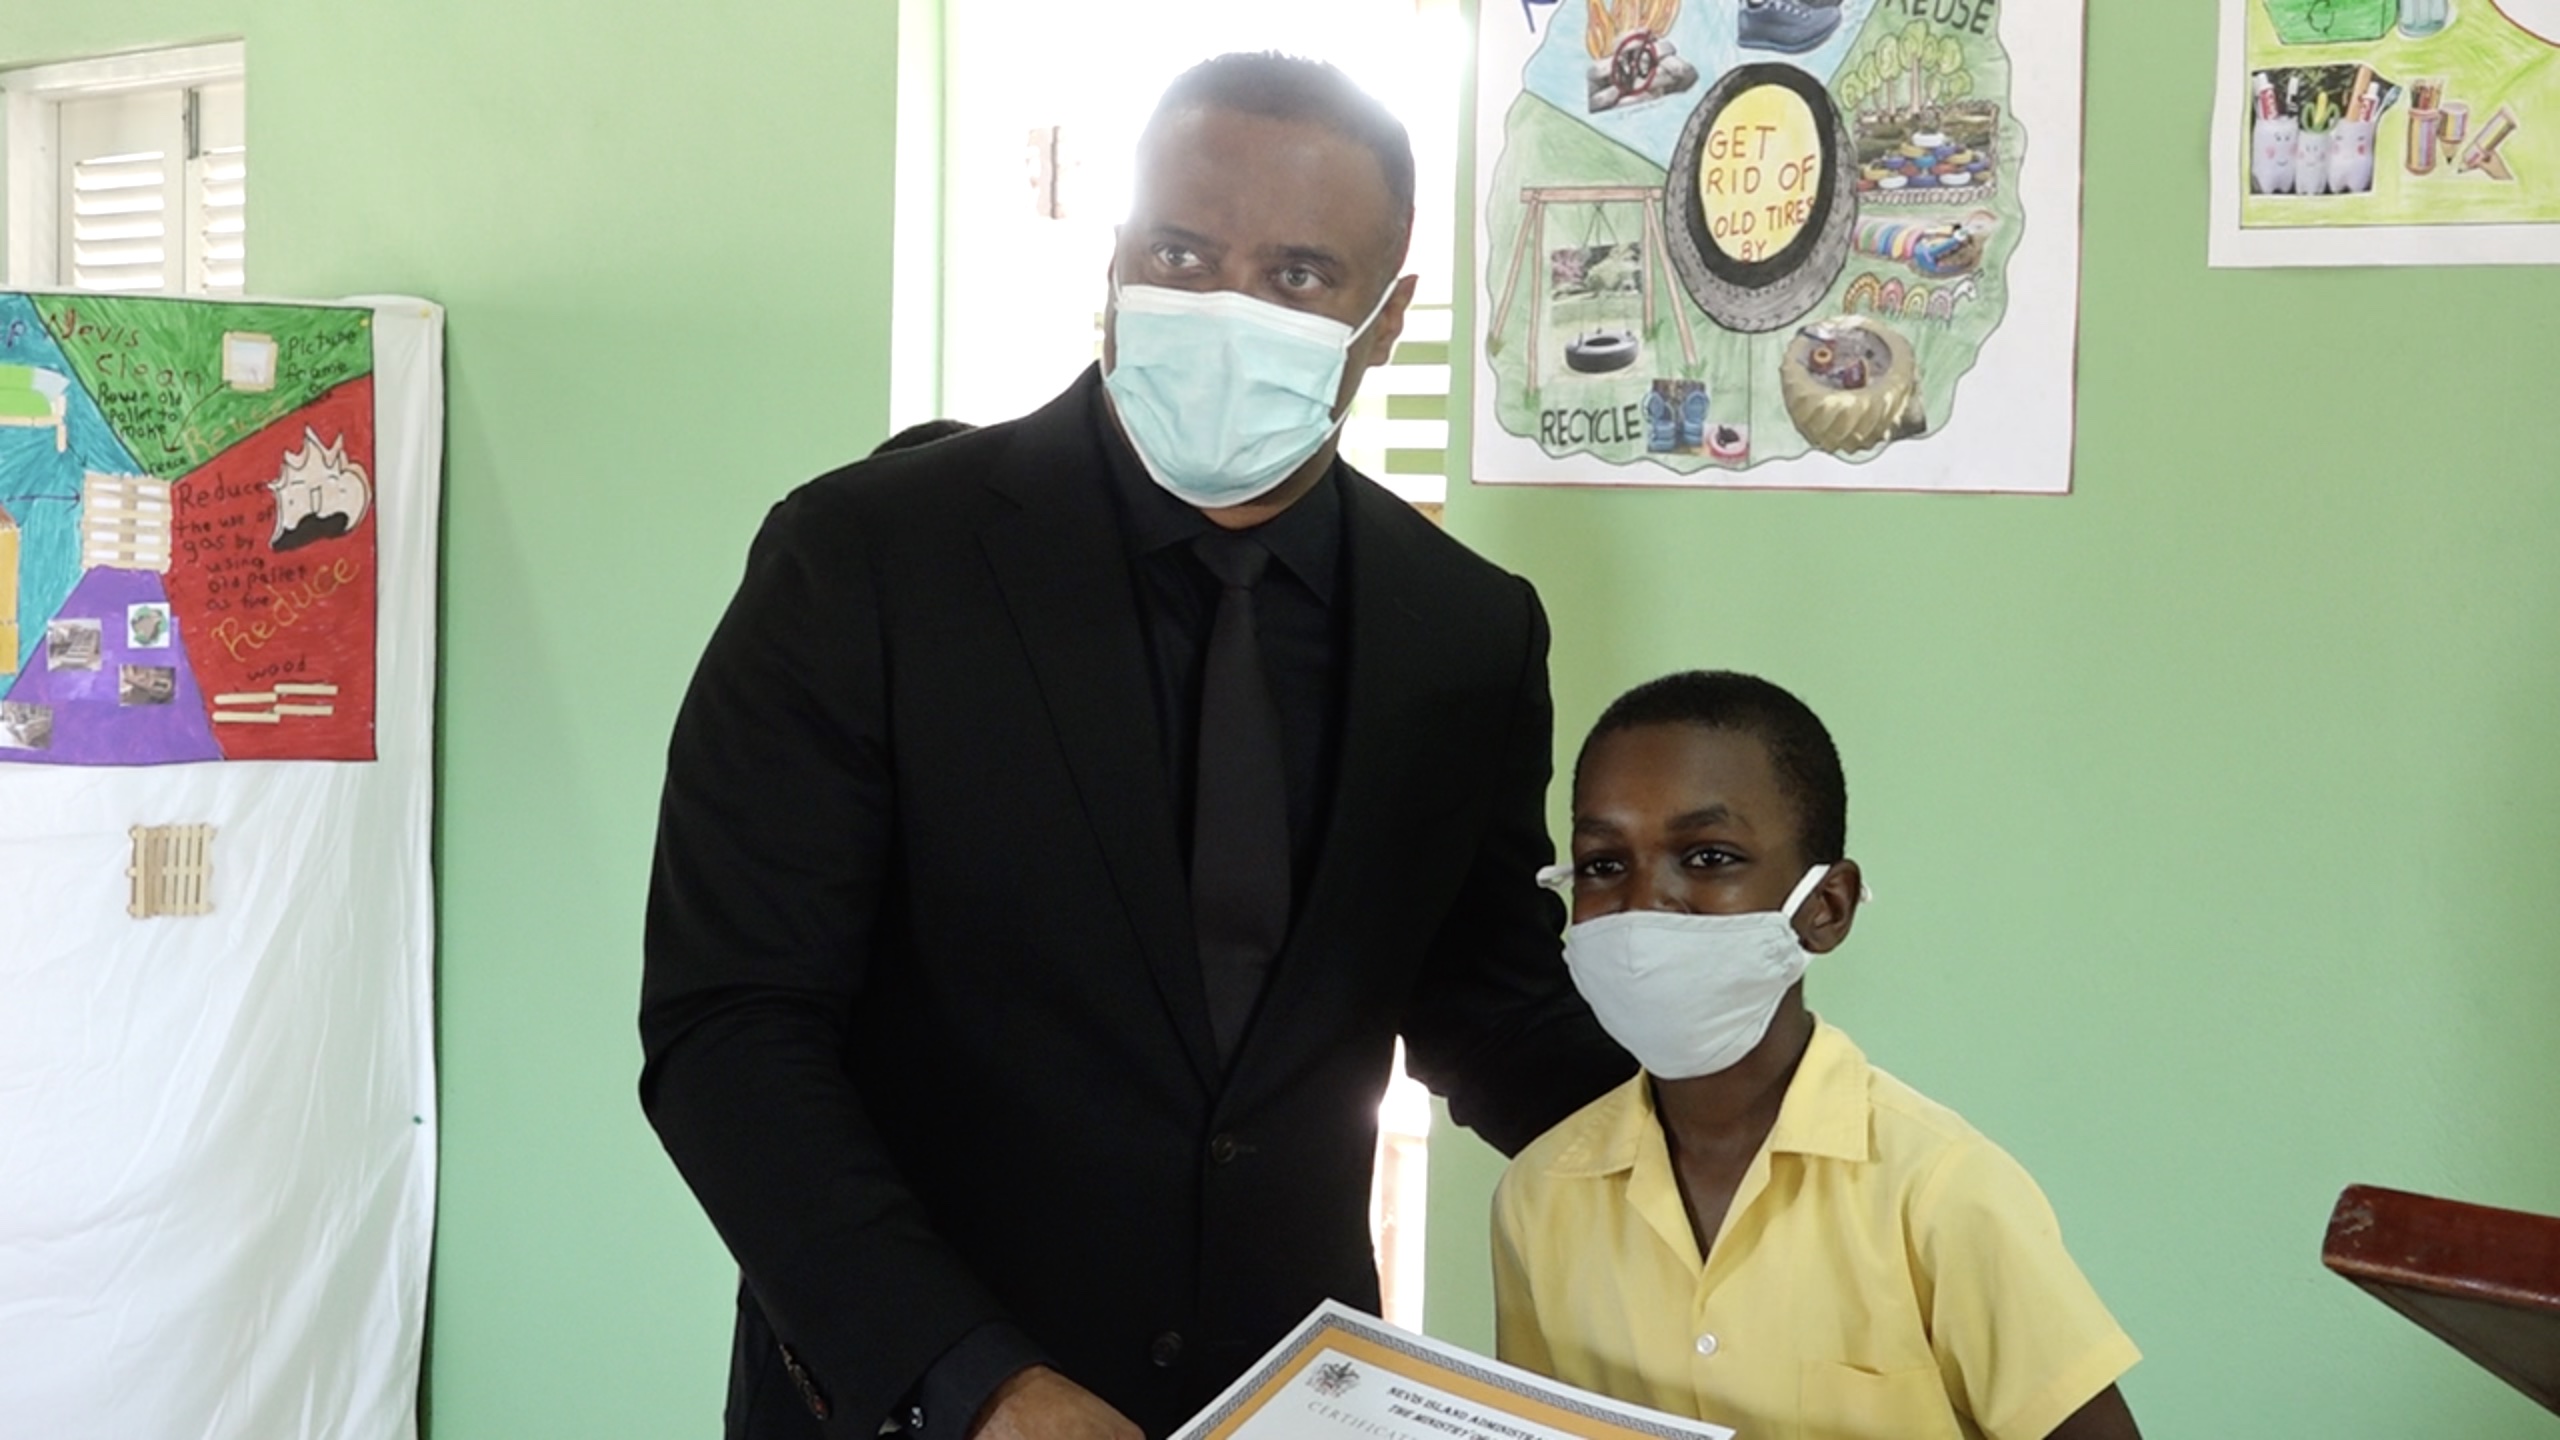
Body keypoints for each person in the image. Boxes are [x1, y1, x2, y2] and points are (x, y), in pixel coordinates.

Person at [640, 53, 1630, 1440]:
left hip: (1281, 1396)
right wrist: (975, 1381)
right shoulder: (868, 562)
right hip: (921, 1399)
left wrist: (1747, 1149)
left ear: (1388, 317)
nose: (1228, 308)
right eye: (1180, 252)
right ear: (1113, 263)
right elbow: (730, 1031)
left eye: (1297, 275)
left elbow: (1484, 1003)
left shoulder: (1459, 629)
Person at [1494, 671, 2141, 1440]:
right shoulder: (1539, 1198)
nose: (1644, 903)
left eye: (1707, 857)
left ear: (1824, 908)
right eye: (1604, 863)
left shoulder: (1940, 1194)